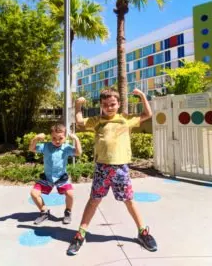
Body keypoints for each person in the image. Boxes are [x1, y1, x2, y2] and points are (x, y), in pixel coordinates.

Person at [67, 88, 157, 255]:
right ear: (101, 105)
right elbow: (79, 121)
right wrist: (78, 105)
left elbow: (148, 114)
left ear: (119, 104)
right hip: (102, 167)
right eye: (105, 104)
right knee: (94, 201)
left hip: (121, 168)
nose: (109, 107)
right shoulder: (97, 120)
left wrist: (143, 96)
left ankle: (143, 232)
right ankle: (81, 234)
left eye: (113, 104)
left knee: (129, 201)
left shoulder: (125, 119)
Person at [29, 123, 82, 225]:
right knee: (34, 193)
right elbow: (32, 148)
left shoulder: (66, 148)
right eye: (54, 138)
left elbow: (78, 153)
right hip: (47, 177)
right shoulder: (46, 146)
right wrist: (36, 138)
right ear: (50, 136)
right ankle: (44, 211)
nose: (57, 141)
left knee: (70, 194)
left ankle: (68, 212)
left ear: (65, 137)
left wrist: (76, 139)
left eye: (60, 138)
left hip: (61, 177)